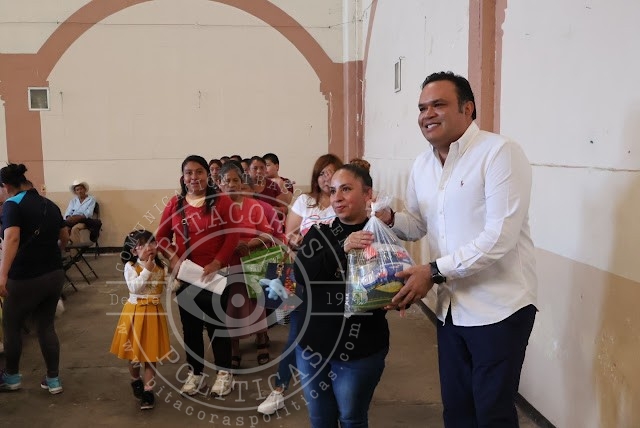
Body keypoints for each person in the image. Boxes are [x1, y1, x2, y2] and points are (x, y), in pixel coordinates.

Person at [378, 71, 537, 427]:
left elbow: (500, 237)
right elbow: (418, 225)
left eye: (438, 104)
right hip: (451, 309)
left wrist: (433, 271)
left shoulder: (498, 153)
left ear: (467, 109)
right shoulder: (422, 165)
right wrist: (389, 219)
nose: (427, 114)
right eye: (422, 107)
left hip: (499, 308)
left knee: (492, 413)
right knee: (458, 410)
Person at [290, 163, 386, 428]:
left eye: (346, 189)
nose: (337, 198)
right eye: (333, 191)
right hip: (312, 348)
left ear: (367, 194)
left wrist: (398, 295)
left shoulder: (379, 236)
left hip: (360, 350)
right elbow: (302, 274)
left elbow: (394, 281)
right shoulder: (319, 232)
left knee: (351, 417)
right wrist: (342, 246)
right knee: (320, 418)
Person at [257, 153, 343, 415]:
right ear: (316, 178)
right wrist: (297, 244)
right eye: (322, 173)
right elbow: (288, 236)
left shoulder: (344, 203)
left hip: (336, 283)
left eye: (332, 172)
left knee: (338, 336)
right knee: (296, 335)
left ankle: (336, 388)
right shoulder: (306, 202)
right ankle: (279, 389)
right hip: (303, 278)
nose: (327, 178)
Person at [156, 155, 240, 398]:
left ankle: (224, 373)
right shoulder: (175, 204)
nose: (194, 177)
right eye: (189, 173)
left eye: (199, 172)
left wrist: (217, 262)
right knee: (190, 328)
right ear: (183, 177)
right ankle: (196, 373)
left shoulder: (221, 201)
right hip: (187, 277)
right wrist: (174, 259)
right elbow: (161, 237)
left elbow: (232, 235)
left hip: (215, 276)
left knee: (217, 326)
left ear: (208, 175)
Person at [0, 163, 69, 394]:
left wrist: (2, 275)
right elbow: (64, 236)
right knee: (46, 326)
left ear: (6, 186)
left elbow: (11, 238)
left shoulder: (12, 204)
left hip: (24, 277)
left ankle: (11, 377)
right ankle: (53, 379)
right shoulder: (50, 204)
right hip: (54, 274)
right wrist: (53, 252)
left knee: (11, 325)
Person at [217, 161, 273, 368]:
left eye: (236, 180)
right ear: (220, 183)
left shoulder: (253, 206)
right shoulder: (216, 207)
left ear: (242, 182)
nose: (232, 184)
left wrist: (248, 244)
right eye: (227, 180)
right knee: (230, 307)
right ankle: (234, 347)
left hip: (252, 261)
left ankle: (261, 339)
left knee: (256, 303)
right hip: (226, 264)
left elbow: (267, 234)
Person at [109, 230, 171, 410]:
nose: (148, 248)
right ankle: (135, 379)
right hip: (135, 313)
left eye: (152, 243)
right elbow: (134, 288)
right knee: (134, 355)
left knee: (151, 355)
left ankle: (148, 391)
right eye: (142, 245)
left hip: (154, 314)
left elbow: (169, 284)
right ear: (133, 251)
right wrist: (147, 270)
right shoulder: (131, 266)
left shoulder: (161, 266)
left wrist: (179, 278)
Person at [64, 180, 96, 244]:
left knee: (74, 229)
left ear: (85, 189)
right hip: (72, 221)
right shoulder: (73, 201)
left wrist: (77, 217)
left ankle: (76, 249)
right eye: (77, 190)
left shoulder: (91, 199)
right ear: (75, 192)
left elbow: (89, 213)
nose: (79, 191)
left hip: (84, 221)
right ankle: (65, 249)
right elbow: (68, 212)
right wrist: (68, 217)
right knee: (64, 229)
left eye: (81, 189)